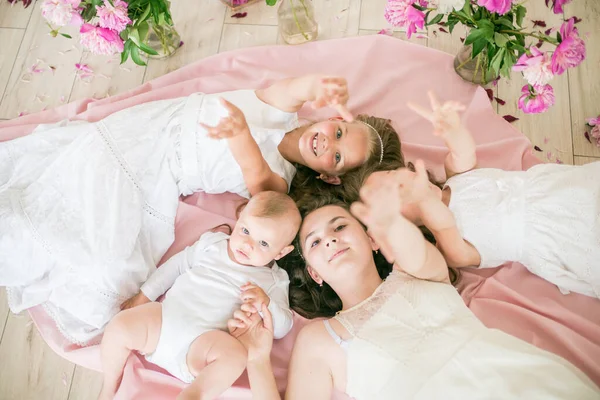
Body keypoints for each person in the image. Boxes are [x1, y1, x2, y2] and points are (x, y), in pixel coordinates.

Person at [0, 74, 401, 345]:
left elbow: (251, 166)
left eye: (335, 156)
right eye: (337, 133)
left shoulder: (278, 185)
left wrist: (241, 132)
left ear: (330, 177)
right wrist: (320, 84)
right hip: (146, 130)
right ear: (333, 118)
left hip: (157, 175)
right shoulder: (280, 110)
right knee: (64, 201)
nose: (325, 143)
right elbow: (297, 88)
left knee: (105, 260)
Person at [227, 175, 599, 399]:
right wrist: (257, 360)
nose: (330, 240)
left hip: (519, 377)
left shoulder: (416, 270)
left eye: (341, 227)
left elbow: (414, 252)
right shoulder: (319, 340)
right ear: (315, 273)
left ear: (372, 239)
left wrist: (390, 219)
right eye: (314, 241)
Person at [382, 91, 599, 299]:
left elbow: (463, 152)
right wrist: (425, 201)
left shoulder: (456, 178)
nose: (410, 180)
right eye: (400, 191)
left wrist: (452, 130)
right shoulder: (449, 246)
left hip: (553, 190)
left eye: (399, 175)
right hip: (552, 237)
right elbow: (441, 222)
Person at [98, 191, 300, 400]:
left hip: (203, 346)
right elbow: (174, 268)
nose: (248, 245)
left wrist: (266, 305)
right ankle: (110, 385)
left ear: (281, 253)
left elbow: (283, 327)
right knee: (119, 326)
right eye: (245, 230)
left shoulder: (274, 280)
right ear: (239, 218)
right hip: (166, 320)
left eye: (263, 243)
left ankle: (194, 394)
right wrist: (143, 296)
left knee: (236, 357)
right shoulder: (213, 243)